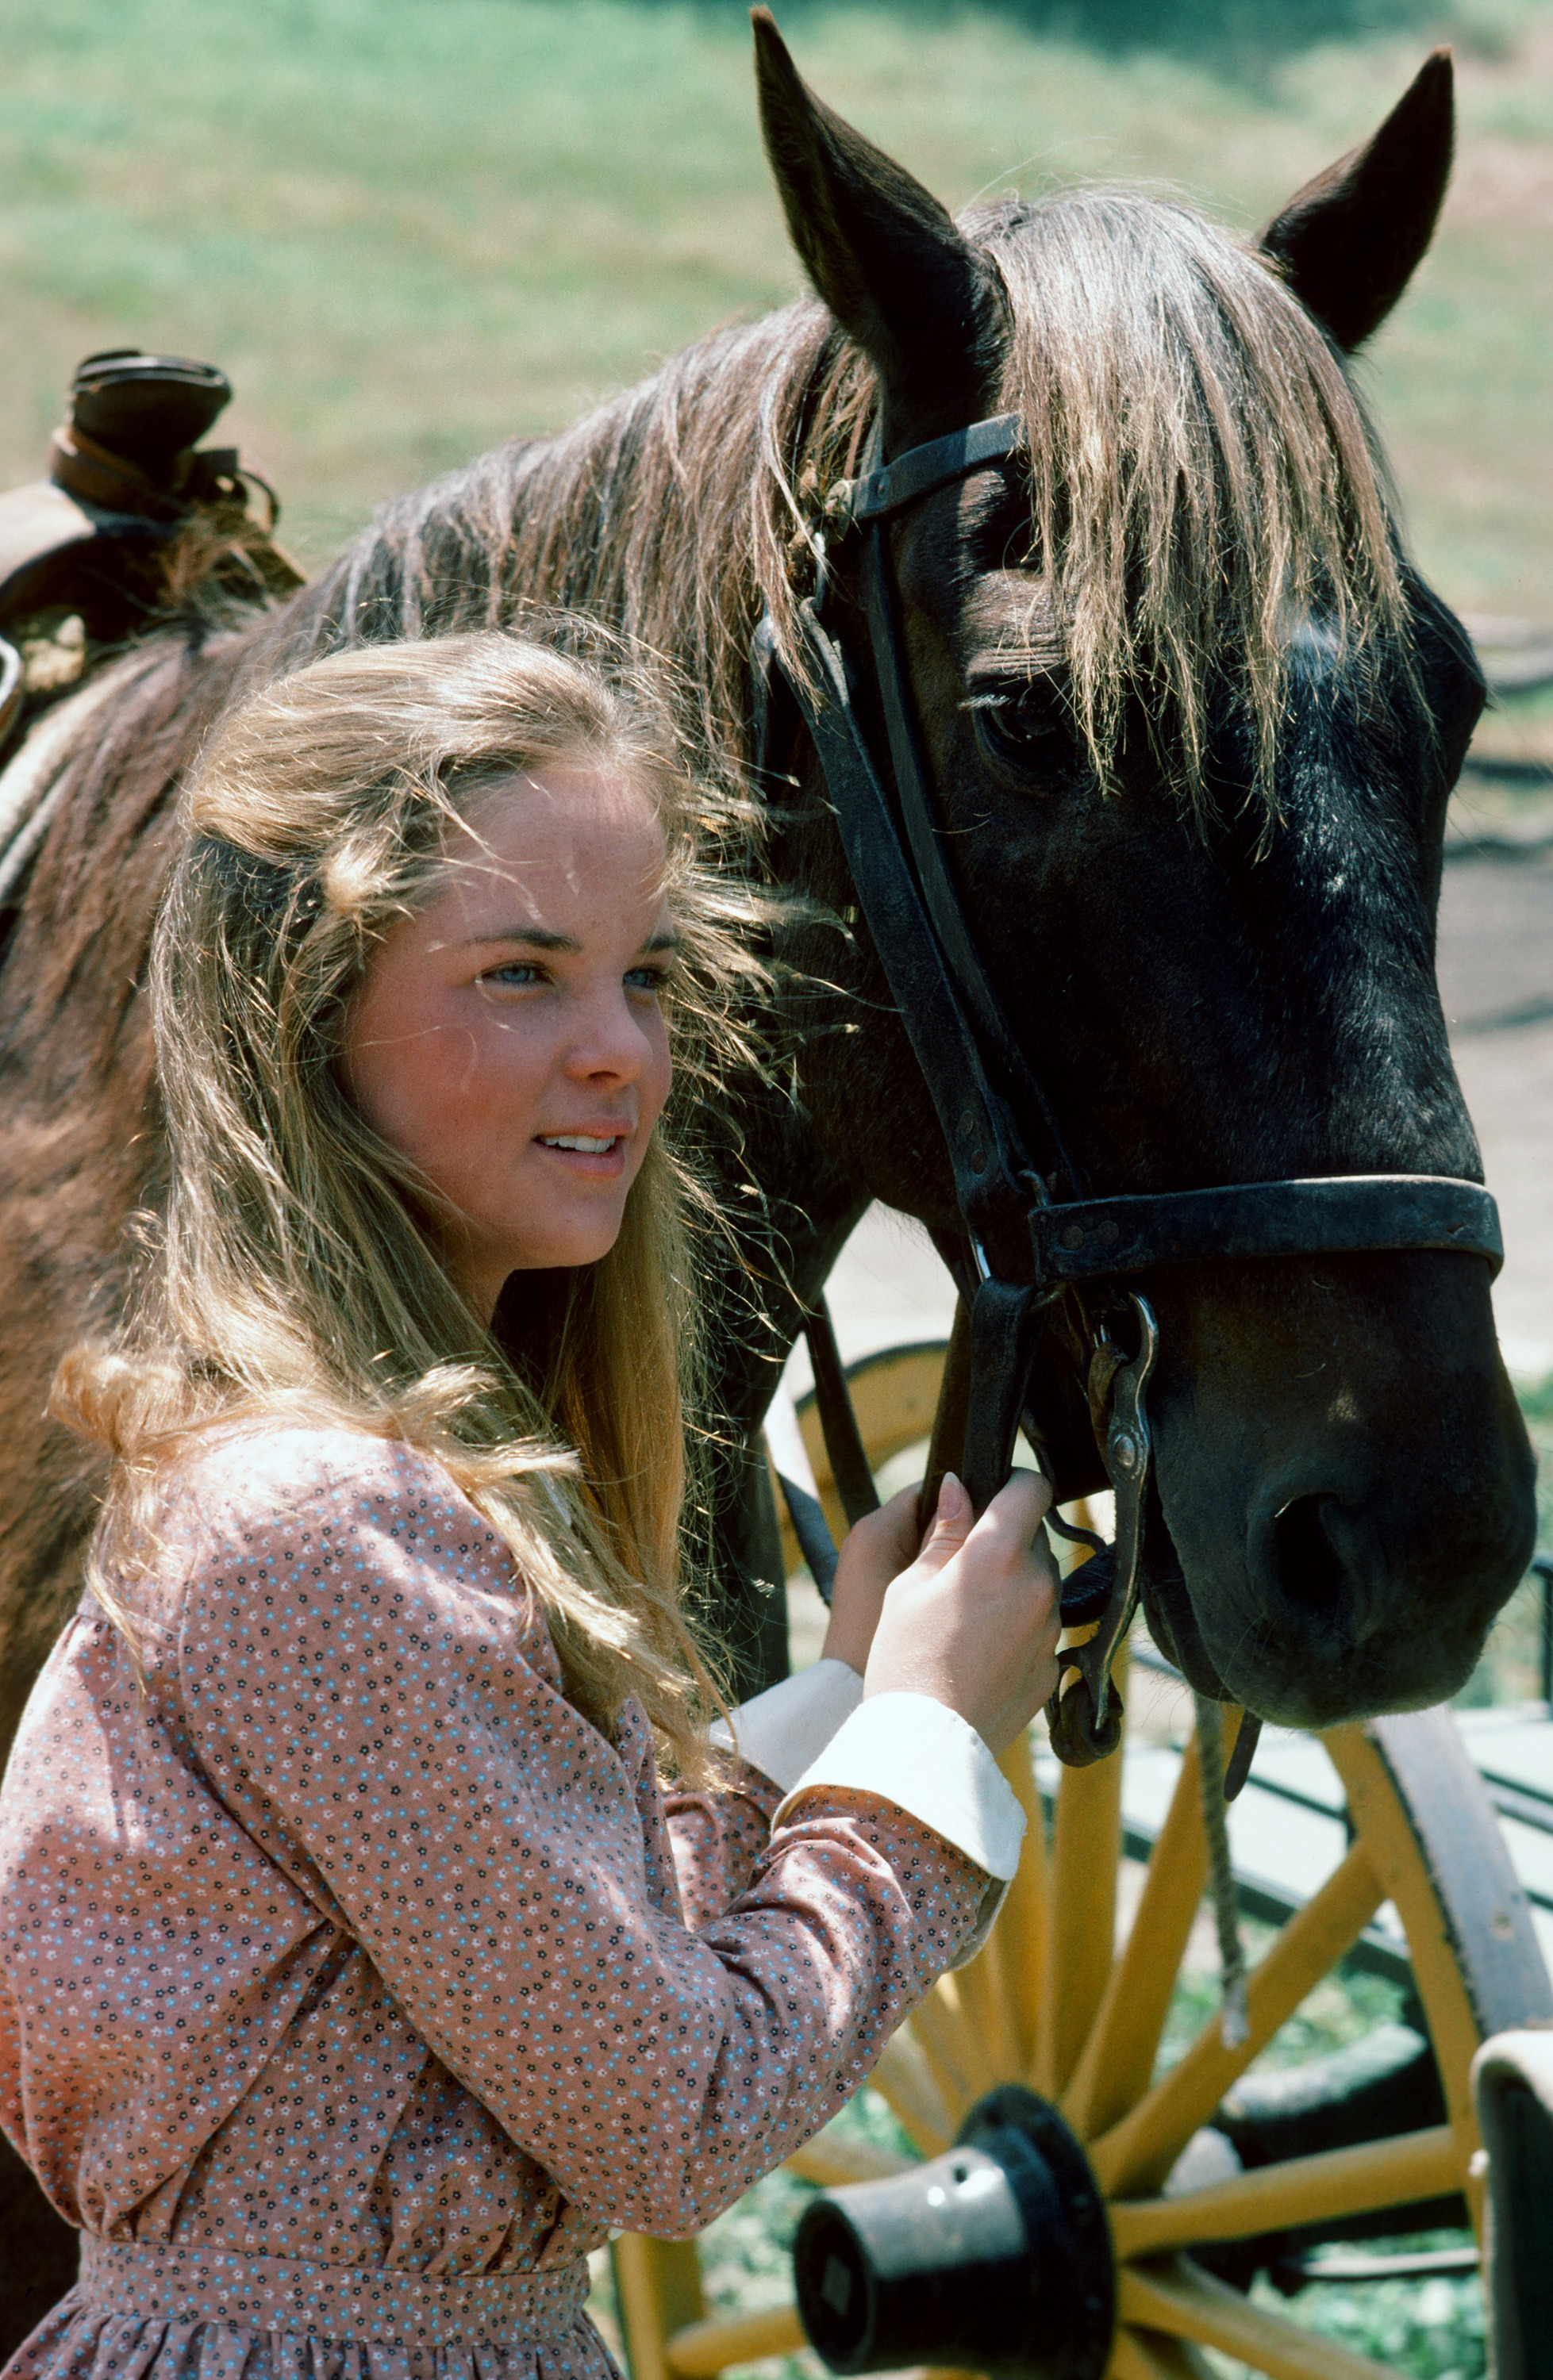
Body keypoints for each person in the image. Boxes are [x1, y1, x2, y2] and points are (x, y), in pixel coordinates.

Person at [0, 631, 1060, 2380]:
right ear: (304, 1012)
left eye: (644, 978)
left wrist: (846, 1707)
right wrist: (928, 1756)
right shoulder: (319, 1525)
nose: (617, 1055)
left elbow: (523, 1939)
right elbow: (667, 2113)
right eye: (518, 975)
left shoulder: (334, 1488)